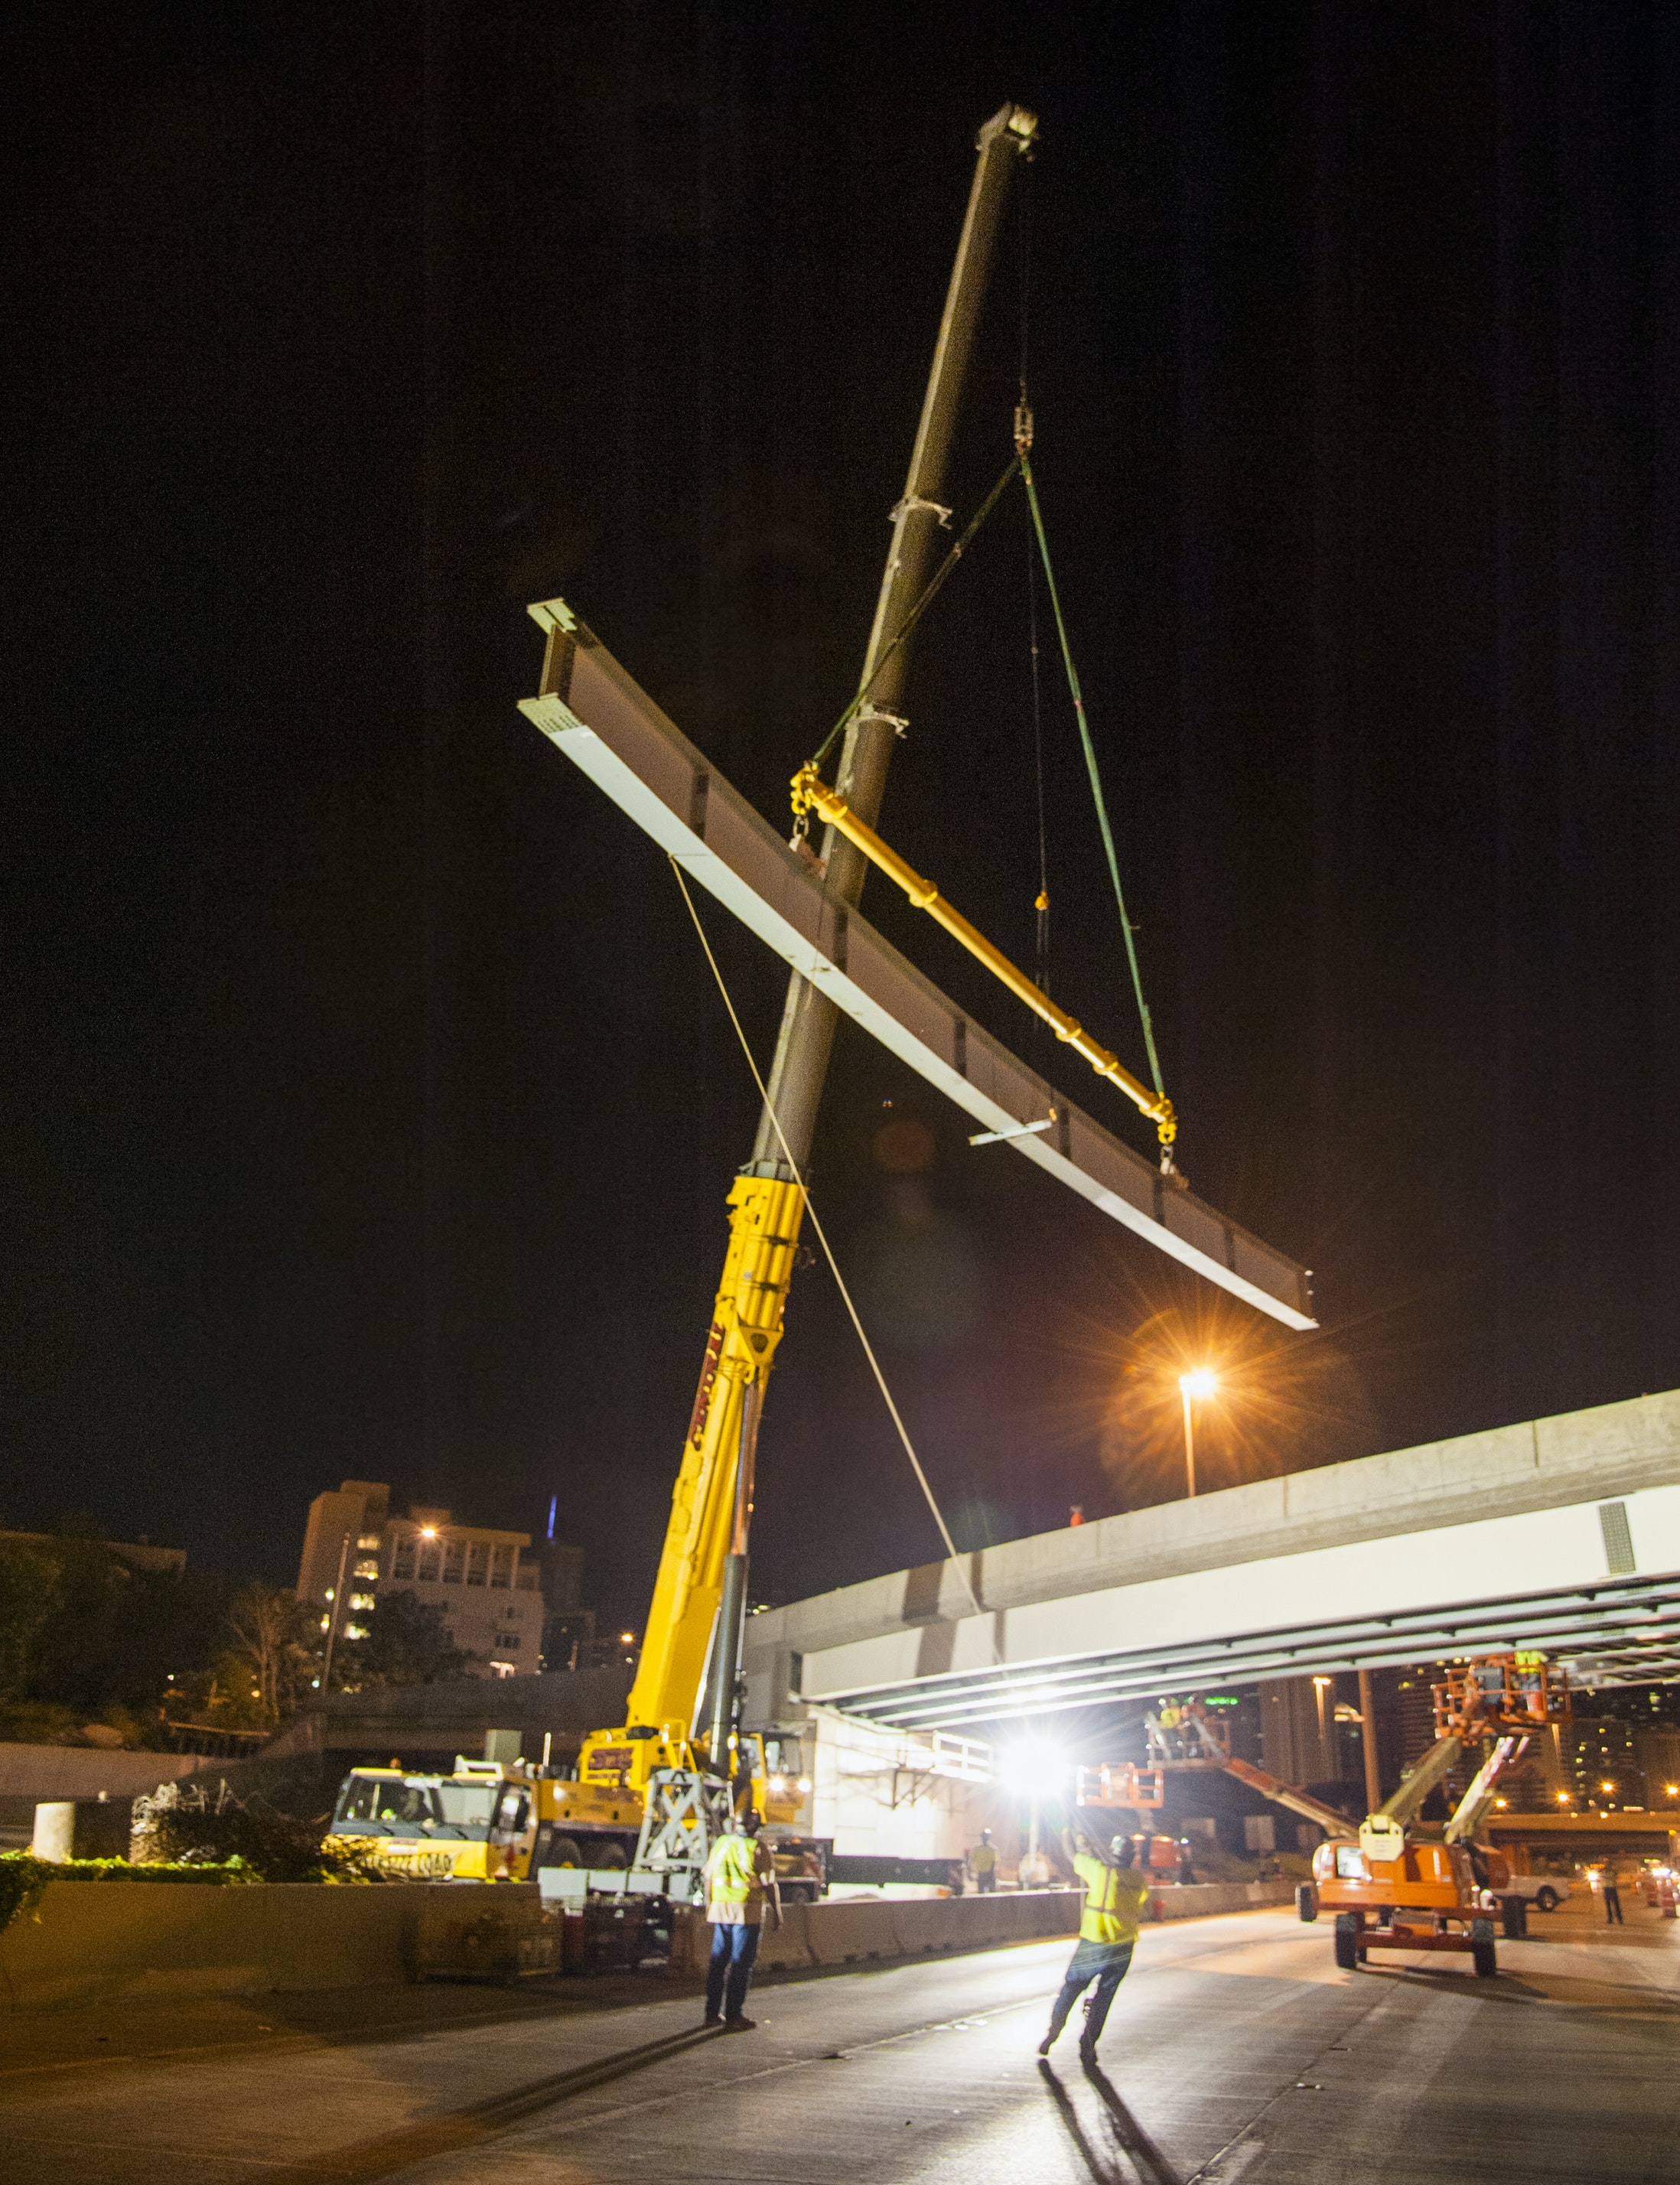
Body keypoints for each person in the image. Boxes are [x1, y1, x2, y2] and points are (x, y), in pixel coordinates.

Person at [1038, 1826, 1150, 2063]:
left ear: (1113, 1852)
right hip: (1123, 1949)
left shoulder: (1101, 1873)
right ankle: (1088, 2045)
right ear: (1133, 1856)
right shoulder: (1139, 1880)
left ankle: (1053, 2033)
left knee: (1071, 1989)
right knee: (1104, 1998)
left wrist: (1065, 1833)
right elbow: (1140, 1901)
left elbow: (1072, 1856)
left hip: (1094, 1944)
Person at [702, 1807, 781, 2030]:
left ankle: (711, 2014)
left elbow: (708, 1876)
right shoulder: (758, 1848)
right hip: (746, 1912)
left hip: (720, 1909)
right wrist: (777, 1912)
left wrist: (710, 1905)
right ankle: (734, 2015)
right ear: (755, 1826)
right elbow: (768, 1884)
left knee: (718, 1963)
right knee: (740, 1964)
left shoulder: (721, 1843)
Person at [969, 1830, 998, 1894]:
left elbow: (994, 1862)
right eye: (984, 1837)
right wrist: (970, 1873)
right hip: (980, 1873)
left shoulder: (992, 1849)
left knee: (992, 1893)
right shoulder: (977, 1848)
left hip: (989, 1873)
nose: (985, 1838)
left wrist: (992, 1874)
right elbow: (972, 1861)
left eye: (987, 1837)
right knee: (981, 1892)